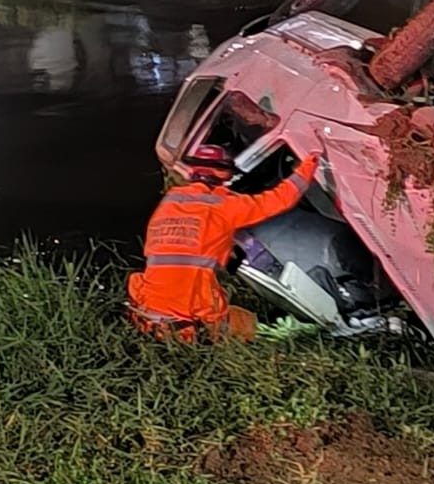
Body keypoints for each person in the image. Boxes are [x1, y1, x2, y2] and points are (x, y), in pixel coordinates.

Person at [127, 144, 319, 343]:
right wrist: (309, 165)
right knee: (255, 325)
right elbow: (280, 199)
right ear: (221, 172)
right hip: (184, 324)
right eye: (229, 174)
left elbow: (190, 243)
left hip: (148, 313)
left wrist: (228, 252)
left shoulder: (171, 202)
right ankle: (303, 332)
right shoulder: (224, 207)